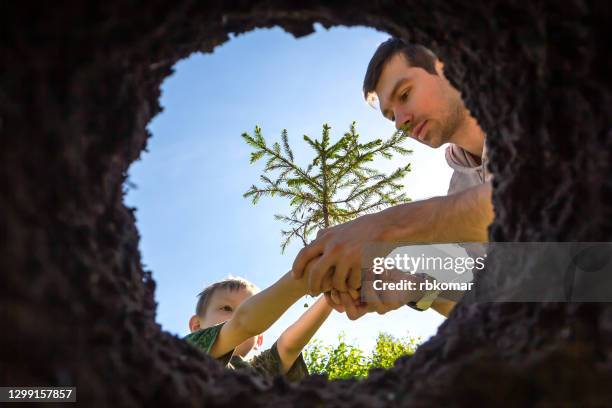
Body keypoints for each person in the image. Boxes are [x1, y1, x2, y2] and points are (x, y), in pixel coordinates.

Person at [291, 37, 495, 320]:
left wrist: (387, 227)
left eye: (405, 94)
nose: (400, 122)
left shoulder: (539, 104)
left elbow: (535, 191)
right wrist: (413, 285)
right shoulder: (459, 190)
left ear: (448, 66)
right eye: (391, 117)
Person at [184, 272, 332, 382]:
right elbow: (242, 323)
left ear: (259, 339)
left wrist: (330, 296)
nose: (236, 316)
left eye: (251, 308)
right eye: (227, 308)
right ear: (197, 326)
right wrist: (309, 276)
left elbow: (289, 346)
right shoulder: (190, 352)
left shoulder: (259, 372)